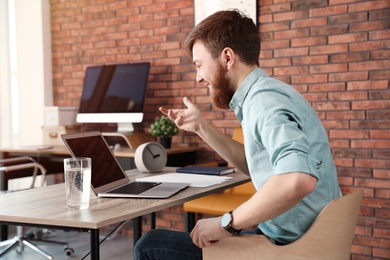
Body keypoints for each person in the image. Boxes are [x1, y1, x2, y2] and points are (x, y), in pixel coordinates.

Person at [134, 9, 341, 260]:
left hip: (288, 248)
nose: (199, 77)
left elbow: (297, 178)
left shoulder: (263, 101)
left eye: (199, 65)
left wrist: (227, 223)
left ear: (227, 57)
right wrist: (201, 127)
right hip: (302, 237)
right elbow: (254, 165)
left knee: (149, 244)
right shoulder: (269, 93)